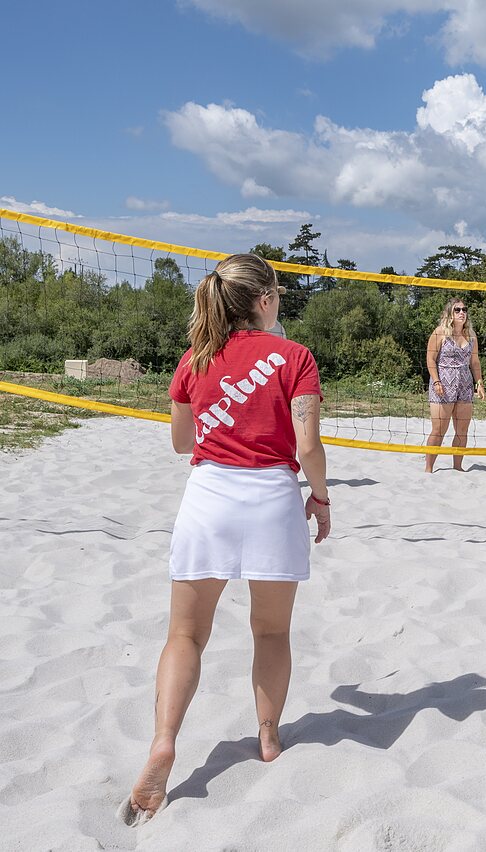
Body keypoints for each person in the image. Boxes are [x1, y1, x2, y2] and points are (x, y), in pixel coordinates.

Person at [120, 253, 331, 826]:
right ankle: (268, 737)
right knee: (272, 631)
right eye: (278, 294)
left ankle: (164, 741)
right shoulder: (295, 356)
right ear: (264, 300)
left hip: (208, 499)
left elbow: (182, 443)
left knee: (186, 635)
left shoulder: (196, 358)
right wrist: (321, 498)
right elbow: (308, 447)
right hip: (272, 501)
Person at [425, 297, 486, 473]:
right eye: (457, 310)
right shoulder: (440, 332)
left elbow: (475, 362)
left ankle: (458, 468)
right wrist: (436, 381)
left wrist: (479, 383)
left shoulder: (471, 335)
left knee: (462, 431)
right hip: (443, 384)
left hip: (465, 385)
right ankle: (428, 469)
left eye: (464, 310)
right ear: (450, 313)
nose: (462, 313)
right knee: (439, 430)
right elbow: (430, 359)